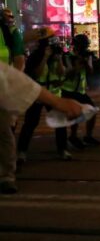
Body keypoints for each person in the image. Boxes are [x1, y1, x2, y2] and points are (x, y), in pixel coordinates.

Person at [0, 61, 83, 194]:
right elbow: (10, 77)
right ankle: (18, 157)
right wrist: (57, 102)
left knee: (5, 136)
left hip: (48, 93)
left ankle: (7, 176)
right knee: (27, 125)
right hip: (38, 96)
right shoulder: (36, 57)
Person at [17, 36, 72, 163]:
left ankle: (62, 149)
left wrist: (58, 60)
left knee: (60, 122)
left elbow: (61, 73)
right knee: (31, 122)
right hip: (38, 93)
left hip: (53, 93)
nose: (52, 48)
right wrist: (45, 57)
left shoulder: (58, 55)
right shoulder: (35, 56)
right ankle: (22, 152)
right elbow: (37, 73)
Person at [62, 34, 100, 148]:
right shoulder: (68, 57)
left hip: (80, 91)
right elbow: (68, 75)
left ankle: (88, 136)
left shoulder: (87, 56)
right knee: (75, 114)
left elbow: (90, 72)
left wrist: (85, 62)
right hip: (68, 91)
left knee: (92, 111)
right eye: (82, 46)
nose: (84, 48)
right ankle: (72, 137)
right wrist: (77, 65)